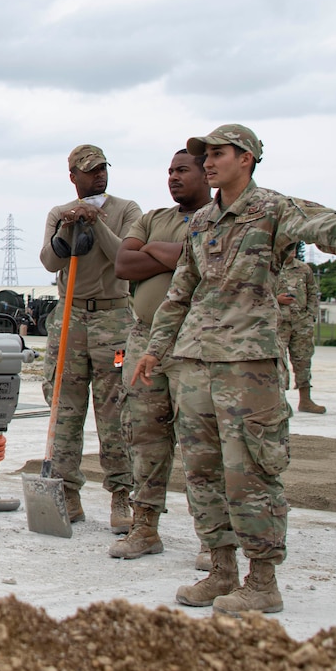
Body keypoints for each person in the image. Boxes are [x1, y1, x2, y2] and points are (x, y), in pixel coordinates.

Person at [133, 125, 336, 615]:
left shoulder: (274, 210)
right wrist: (156, 349)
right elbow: (182, 290)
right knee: (202, 472)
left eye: (218, 155)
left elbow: (330, 226)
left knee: (252, 473)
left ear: (246, 158)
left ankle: (262, 580)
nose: (209, 164)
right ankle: (221, 572)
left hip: (249, 366)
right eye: (206, 156)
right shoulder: (202, 220)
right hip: (196, 361)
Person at [108, 148, 210, 559]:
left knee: (201, 442)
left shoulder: (217, 220)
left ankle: (213, 540)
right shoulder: (152, 219)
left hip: (195, 342)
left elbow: (199, 262)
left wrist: (156, 251)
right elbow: (123, 263)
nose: (173, 177)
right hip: (145, 339)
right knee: (145, 436)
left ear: (207, 175)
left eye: (182, 170)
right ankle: (145, 527)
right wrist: (168, 251)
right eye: (169, 170)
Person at [37, 145, 143, 528]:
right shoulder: (58, 212)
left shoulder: (128, 210)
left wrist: (96, 221)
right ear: (73, 177)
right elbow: (51, 261)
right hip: (70, 318)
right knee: (64, 409)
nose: (98, 175)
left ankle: (121, 495)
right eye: (89, 170)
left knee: (115, 408)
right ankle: (67, 493)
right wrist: (69, 224)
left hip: (113, 317)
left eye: (102, 168)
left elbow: (125, 259)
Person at [276, 245, 325, 414]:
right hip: (278, 323)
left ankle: (305, 400)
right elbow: (258, 293)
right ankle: (280, 401)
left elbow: (313, 293)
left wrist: (310, 316)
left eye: (294, 248)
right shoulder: (271, 267)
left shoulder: (304, 269)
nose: (292, 251)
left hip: (301, 323)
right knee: (278, 363)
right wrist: (276, 300)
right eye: (288, 248)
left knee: (303, 361)